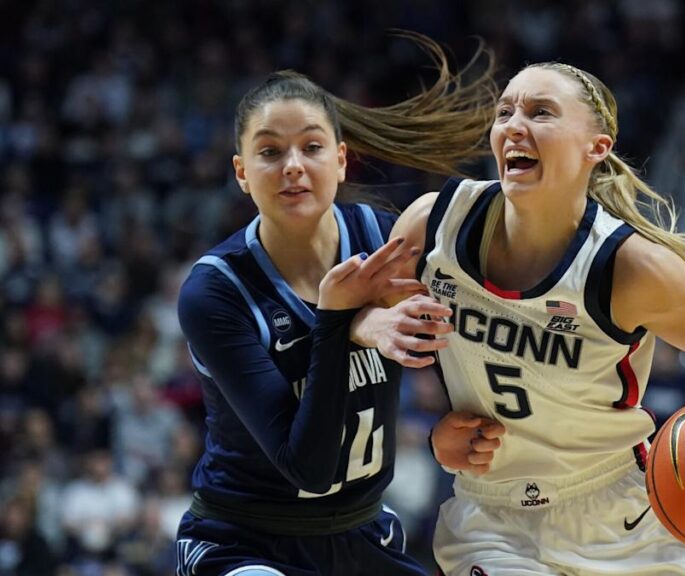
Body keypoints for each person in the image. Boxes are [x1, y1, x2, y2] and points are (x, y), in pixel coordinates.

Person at [388, 62, 685, 575]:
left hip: (622, 511)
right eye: (505, 111)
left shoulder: (632, 269)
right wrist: (423, 427)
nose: (513, 125)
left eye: (541, 112)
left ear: (597, 147)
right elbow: (360, 339)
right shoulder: (432, 226)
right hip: (493, 516)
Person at [174, 34, 496, 576]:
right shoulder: (215, 291)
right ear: (241, 172)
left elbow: (452, 341)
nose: (293, 165)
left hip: (360, 534)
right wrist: (341, 325)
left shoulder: (385, 239)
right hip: (245, 545)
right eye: (270, 151)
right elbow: (309, 469)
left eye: (312, 147)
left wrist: (446, 425)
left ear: (342, 160)